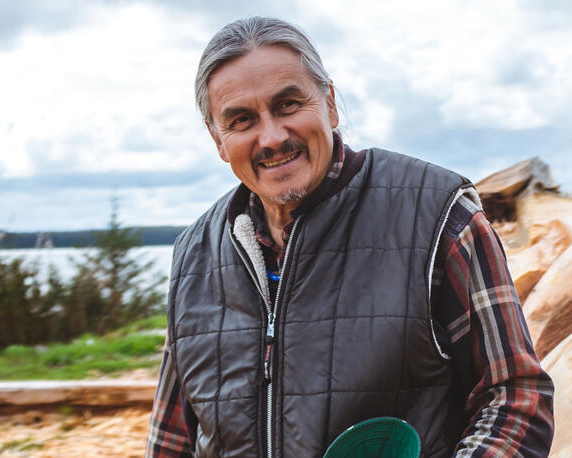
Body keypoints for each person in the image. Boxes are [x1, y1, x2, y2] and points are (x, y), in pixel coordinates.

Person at [146, 17, 554, 458]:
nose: (272, 137)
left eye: (287, 105)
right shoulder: (193, 256)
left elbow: (515, 397)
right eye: (242, 120)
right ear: (218, 140)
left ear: (330, 104)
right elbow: (172, 439)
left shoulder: (439, 216)